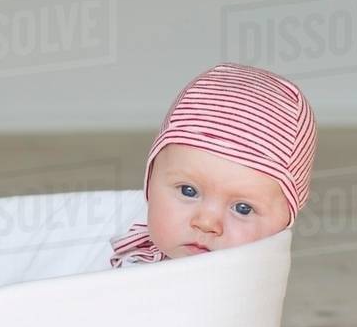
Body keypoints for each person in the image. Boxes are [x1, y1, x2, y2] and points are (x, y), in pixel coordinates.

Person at [109, 62, 317, 266]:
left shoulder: (254, 294)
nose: (206, 223)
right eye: (188, 191)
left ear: (287, 218)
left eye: (243, 208)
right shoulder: (129, 270)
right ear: (150, 180)